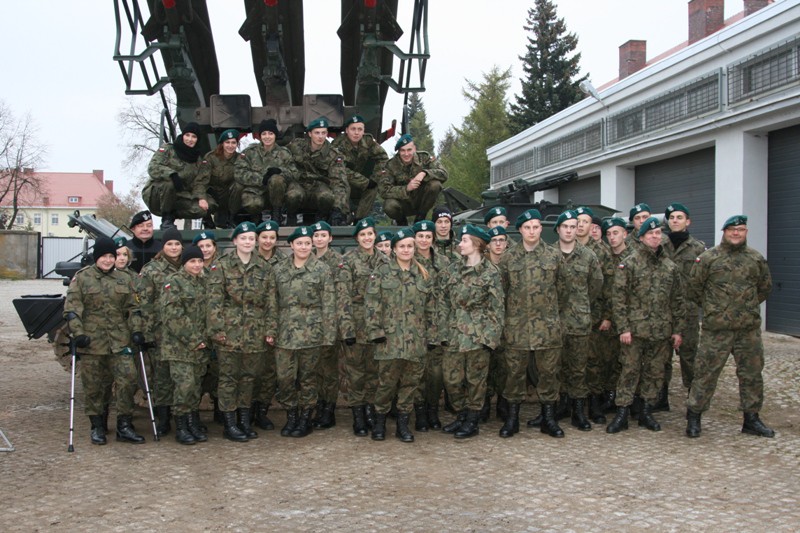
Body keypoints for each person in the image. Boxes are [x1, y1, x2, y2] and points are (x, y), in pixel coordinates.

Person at [686, 215, 774, 439]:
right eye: (732, 229)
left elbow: (764, 288)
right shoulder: (708, 258)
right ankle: (694, 417)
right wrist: (715, 309)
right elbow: (694, 289)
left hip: (748, 330)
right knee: (705, 373)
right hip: (717, 329)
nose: (736, 233)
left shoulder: (755, 259)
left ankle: (751, 419)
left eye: (741, 230)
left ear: (746, 232)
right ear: (724, 232)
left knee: (752, 374)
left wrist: (744, 309)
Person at [63, 236, 146, 445]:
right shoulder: (82, 278)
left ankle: (124, 425)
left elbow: (134, 308)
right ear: (96, 256)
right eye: (104, 256)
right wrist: (78, 333)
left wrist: (136, 330)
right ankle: (97, 425)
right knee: (95, 386)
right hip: (92, 342)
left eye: (112, 256)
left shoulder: (124, 279)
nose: (109, 260)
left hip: (120, 341)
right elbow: (72, 309)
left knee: (128, 379)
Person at [608, 217, 685, 434]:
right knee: (629, 370)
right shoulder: (629, 264)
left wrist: (678, 330)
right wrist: (623, 327)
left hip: (661, 331)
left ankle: (645, 410)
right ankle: (622, 411)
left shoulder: (670, 267)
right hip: (634, 331)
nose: (655, 237)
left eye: (658, 233)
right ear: (641, 238)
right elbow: (619, 298)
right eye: (650, 234)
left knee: (654, 372)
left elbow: (678, 300)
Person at [207, 222, 277, 442]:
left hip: (255, 333)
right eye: (243, 238)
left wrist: (270, 329)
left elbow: (271, 302)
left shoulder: (264, 267)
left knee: (249, 378)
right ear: (235, 240)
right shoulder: (222, 265)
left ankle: (244, 420)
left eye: (251, 239)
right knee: (228, 379)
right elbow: (214, 301)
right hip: (229, 333)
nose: (248, 242)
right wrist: (218, 331)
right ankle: (230, 423)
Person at [365, 228, 437, 442]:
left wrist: (432, 335)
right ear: (394, 249)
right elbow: (372, 304)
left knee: (410, 385)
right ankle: (379, 423)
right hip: (389, 341)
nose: (406, 250)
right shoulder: (381, 273)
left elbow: (432, 308)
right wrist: (376, 331)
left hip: (416, 341)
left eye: (409, 246)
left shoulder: (424, 274)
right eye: (402, 246)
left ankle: (403, 425)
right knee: (386, 384)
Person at [500, 209, 563, 438]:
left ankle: (548, 418)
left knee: (548, 374)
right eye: (527, 227)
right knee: (514, 374)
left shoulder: (554, 256)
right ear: (520, 230)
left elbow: (562, 290)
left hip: (547, 328)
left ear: (541, 229)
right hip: (517, 327)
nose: (532, 231)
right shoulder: (508, 258)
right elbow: (503, 291)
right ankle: (513, 419)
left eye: (536, 227)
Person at [438, 225, 504, 439]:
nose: (460, 244)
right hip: (455, 333)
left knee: (476, 380)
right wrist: (443, 330)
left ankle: (472, 420)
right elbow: (444, 300)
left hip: (478, 334)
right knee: (451, 379)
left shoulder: (490, 273)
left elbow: (497, 308)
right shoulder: (453, 270)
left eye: (464, 240)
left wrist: (490, 338)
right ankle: (461, 414)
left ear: (476, 244)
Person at [271, 226, 337, 437]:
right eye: (299, 243)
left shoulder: (322, 269)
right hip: (285, 332)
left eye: (307, 243)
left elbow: (328, 303)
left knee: (309, 378)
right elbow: (272, 303)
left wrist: (329, 334)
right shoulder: (279, 269)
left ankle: (305, 418)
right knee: (284, 377)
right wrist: (270, 329)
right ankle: (291, 415)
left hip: (312, 332)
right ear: (291, 245)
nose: (303, 247)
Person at [553, 210, 603, 431]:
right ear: (558, 229)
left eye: (573, 227)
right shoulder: (549, 254)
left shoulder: (588, 256)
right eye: (565, 226)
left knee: (578, 367)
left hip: (579, 322)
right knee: (555, 367)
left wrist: (580, 306)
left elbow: (595, 286)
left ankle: (578, 411)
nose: (569, 230)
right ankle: (560, 405)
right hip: (553, 321)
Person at [338, 217, 389, 436]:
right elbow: (342, 298)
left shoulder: (386, 261)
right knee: (355, 373)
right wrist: (347, 330)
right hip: (357, 323)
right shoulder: (348, 261)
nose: (367, 238)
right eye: (363, 235)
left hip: (379, 324)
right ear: (357, 238)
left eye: (370, 234)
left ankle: (371, 411)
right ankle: (358, 416)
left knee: (375, 372)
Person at [159, 245, 210, 445]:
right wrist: (194, 340)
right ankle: (181, 426)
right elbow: (172, 316)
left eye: (199, 261)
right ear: (184, 263)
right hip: (180, 347)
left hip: (201, 346)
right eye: (192, 261)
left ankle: (192, 422)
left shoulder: (204, 282)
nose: (197, 265)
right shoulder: (174, 282)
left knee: (195, 386)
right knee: (184, 386)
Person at [657, 202, 706, 411]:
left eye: (679, 217)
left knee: (689, 357)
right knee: (662, 357)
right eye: (672, 217)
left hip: (688, 313)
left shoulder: (699, 248)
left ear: (688, 221)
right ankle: (661, 398)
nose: (675, 220)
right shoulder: (659, 245)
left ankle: (693, 401)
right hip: (663, 311)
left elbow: (704, 281)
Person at [136, 227, 183, 437]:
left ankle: (184, 417)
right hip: (161, 332)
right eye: (169, 244)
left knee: (183, 378)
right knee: (162, 378)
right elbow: (144, 304)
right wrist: (147, 334)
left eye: (177, 244)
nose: (173, 248)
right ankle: (163, 418)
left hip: (184, 333)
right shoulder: (151, 270)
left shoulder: (189, 266)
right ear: (163, 247)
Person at [574, 206, 614, 424]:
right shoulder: (562, 249)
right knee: (570, 361)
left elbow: (610, 286)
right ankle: (568, 403)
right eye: (577, 221)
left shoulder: (602, 252)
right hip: (568, 317)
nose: (580, 225)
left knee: (593, 361)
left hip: (594, 314)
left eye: (585, 221)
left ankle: (595, 403)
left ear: (592, 226)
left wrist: (607, 315)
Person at [412, 219, 452, 430]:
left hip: (438, 324)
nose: (424, 240)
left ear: (433, 238)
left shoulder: (444, 262)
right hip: (415, 324)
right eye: (420, 236)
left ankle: (432, 410)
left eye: (428, 236)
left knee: (436, 373)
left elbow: (449, 294)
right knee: (417, 370)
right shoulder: (408, 260)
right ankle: (419, 411)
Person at [250, 220, 286, 431]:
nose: (268, 241)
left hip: (275, 322)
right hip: (250, 323)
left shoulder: (283, 262)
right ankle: (248, 409)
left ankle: (262, 411)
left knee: (270, 371)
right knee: (251, 369)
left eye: (272, 237)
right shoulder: (248, 259)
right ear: (257, 239)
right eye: (264, 237)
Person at [143, 122, 214, 229]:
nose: (190, 139)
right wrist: (172, 175)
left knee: (209, 205)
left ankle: (173, 215)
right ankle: (166, 218)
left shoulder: (198, 161)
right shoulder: (168, 149)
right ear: (183, 135)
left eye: (194, 137)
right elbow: (153, 167)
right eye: (187, 135)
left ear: (197, 139)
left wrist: (201, 198)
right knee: (169, 183)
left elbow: (198, 183)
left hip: (180, 196)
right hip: (158, 194)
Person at [309, 221, 346, 430]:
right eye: (317, 235)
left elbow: (339, 296)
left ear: (330, 238)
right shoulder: (306, 258)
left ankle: (328, 409)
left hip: (330, 321)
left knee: (329, 370)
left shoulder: (337, 262)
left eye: (324, 235)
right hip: (310, 323)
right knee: (314, 369)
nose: (320, 239)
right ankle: (318, 404)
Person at [287, 117, 350, 225]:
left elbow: (339, 182)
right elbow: (283, 160)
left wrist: (338, 209)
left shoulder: (333, 154)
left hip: (319, 186)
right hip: (299, 183)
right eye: (317, 133)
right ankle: (291, 216)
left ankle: (322, 217)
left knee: (326, 197)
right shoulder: (296, 146)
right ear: (310, 134)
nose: (320, 136)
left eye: (323, 133)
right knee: (293, 195)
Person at [233, 119, 297, 224]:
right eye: (264, 134)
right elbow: (239, 172)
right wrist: (262, 179)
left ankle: (276, 215)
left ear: (275, 135)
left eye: (270, 133)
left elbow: (294, 173)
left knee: (276, 179)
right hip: (256, 191)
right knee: (252, 204)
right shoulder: (249, 152)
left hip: (278, 195)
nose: (267, 137)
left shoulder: (284, 153)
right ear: (260, 136)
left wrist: (281, 171)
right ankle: (256, 218)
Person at [379, 134, 448, 224]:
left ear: (414, 149)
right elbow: (384, 190)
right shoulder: (390, 165)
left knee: (435, 185)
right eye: (403, 151)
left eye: (409, 150)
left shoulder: (424, 158)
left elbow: (444, 174)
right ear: (398, 151)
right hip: (402, 203)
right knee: (389, 205)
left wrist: (425, 173)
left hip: (422, 200)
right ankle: (401, 223)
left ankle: (420, 219)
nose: (406, 154)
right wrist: (406, 188)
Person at [331, 114, 387, 219]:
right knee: (342, 184)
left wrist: (375, 178)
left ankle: (359, 219)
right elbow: (339, 169)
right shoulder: (338, 145)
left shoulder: (368, 141)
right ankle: (344, 217)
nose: (356, 133)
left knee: (373, 188)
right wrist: (365, 182)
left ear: (363, 131)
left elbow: (383, 158)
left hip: (364, 183)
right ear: (347, 130)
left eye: (360, 129)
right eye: (353, 129)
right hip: (346, 182)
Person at [201, 129, 240, 228]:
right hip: (214, 194)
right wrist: (202, 197)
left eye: (233, 143)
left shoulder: (240, 159)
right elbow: (202, 180)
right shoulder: (211, 158)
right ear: (222, 144)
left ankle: (231, 219)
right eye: (227, 142)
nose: (230, 146)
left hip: (231, 196)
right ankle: (207, 219)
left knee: (239, 186)